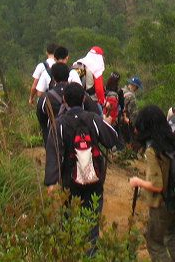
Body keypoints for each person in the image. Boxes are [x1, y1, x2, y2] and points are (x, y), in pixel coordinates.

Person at [44, 82, 122, 255]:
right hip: (94, 180)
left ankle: (71, 254)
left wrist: (51, 182)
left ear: (64, 100)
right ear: (83, 98)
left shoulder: (59, 124)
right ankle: (90, 255)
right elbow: (111, 140)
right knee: (92, 223)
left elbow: (53, 154)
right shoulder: (93, 119)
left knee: (69, 220)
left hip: (69, 182)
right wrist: (107, 123)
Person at [129, 105, 175, 262]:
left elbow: (157, 185)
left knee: (155, 243)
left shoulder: (153, 150)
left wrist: (138, 181)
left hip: (162, 203)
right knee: (172, 231)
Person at [37, 62, 72, 138]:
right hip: (76, 138)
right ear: (68, 75)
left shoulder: (46, 97)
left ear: (53, 78)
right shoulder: (78, 91)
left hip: (55, 137)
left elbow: (41, 117)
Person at [121, 76, 142, 143]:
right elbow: (133, 113)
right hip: (127, 122)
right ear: (135, 86)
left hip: (119, 119)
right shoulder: (131, 96)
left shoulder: (122, 91)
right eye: (137, 87)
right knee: (129, 142)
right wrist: (136, 126)